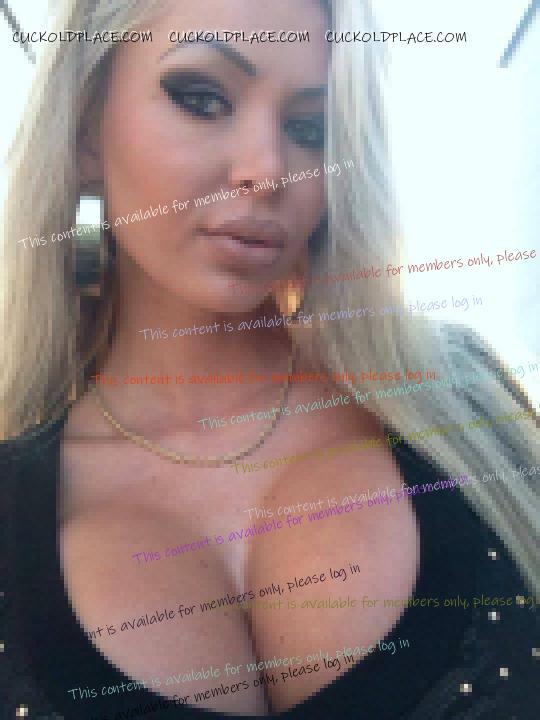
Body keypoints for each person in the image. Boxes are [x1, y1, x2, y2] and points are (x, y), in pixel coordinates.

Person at [1, 0, 538, 718]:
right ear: (84, 128)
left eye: (311, 129)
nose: (267, 171)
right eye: (202, 98)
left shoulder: (461, 400)